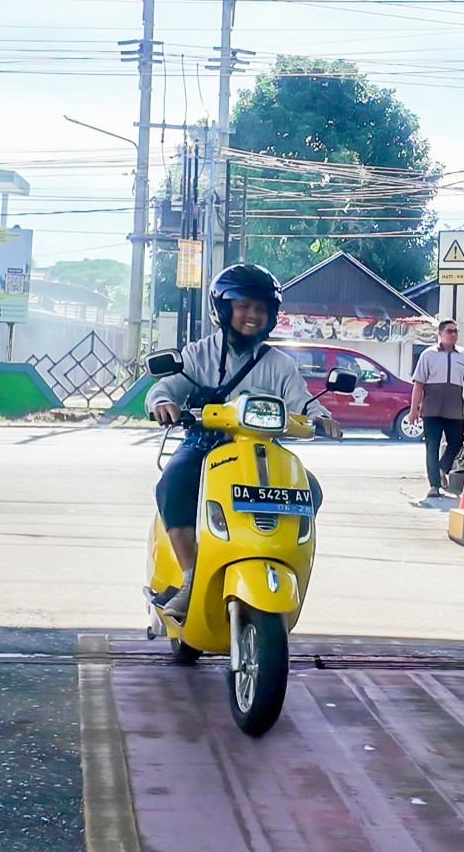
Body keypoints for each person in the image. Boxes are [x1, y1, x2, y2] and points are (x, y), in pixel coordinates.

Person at [145, 264, 343, 620]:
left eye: (260, 308)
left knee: (310, 489)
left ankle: (276, 555)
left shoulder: (280, 364)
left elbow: (303, 403)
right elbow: (165, 388)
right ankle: (190, 576)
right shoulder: (198, 354)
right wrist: (162, 403)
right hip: (205, 444)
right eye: (243, 306)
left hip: (263, 449)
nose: (252, 315)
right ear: (224, 309)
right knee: (172, 483)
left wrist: (321, 417)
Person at [409, 318, 464, 497]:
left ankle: (443, 468)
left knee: (457, 441)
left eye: (456, 331)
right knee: (432, 445)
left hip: (454, 408)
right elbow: (418, 384)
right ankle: (434, 485)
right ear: (440, 333)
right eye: (449, 331)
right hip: (432, 408)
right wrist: (413, 410)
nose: (453, 334)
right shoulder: (428, 355)